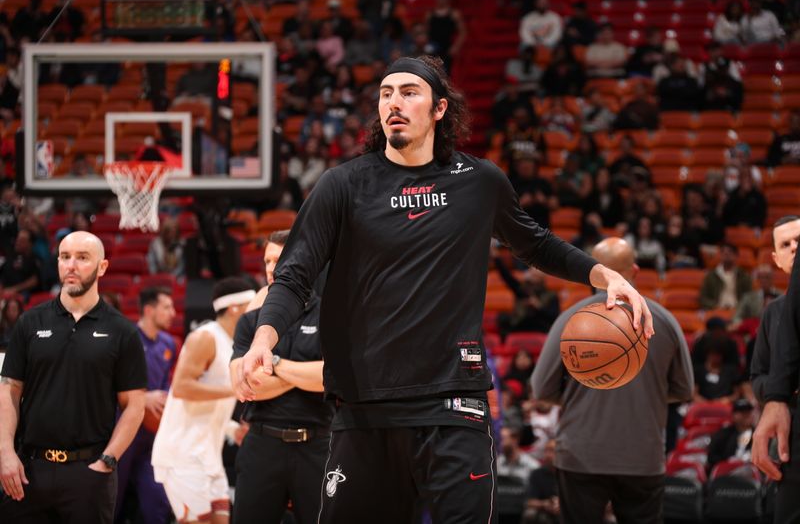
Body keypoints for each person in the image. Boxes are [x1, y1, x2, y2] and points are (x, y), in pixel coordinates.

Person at [240, 55, 653, 524]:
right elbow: (293, 276)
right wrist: (262, 339)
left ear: (439, 109)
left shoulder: (479, 182)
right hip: (364, 408)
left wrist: (605, 276)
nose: (394, 102)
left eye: (409, 92)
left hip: (454, 405)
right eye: (385, 93)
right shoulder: (343, 185)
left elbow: (535, 243)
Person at [531, 237, 693, 524]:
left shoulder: (570, 319)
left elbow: (542, 389)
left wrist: (586, 389)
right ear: (635, 270)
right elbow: (683, 390)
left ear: (592, 270)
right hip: (642, 456)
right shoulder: (665, 321)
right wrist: (645, 395)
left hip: (581, 453)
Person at [0, 231, 147, 523]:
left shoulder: (123, 331)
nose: (71, 265)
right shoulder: (30, 322)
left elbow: (134, 406)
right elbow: (9, 391)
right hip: (28, 470)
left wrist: (108, 459)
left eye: (82, 258)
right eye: (65, 257)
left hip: (89, 472)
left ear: (102, 267)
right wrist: (5, 453)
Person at [229, 230, 333, 524]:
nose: (272, 268)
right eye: (267, 260)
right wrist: (305, 372)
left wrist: (272, 362)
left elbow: (330, 378)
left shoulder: (328, 314)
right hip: (262, 445)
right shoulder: (251, 321)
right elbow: (245, 384)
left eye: (280, 259)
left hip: (317, 446)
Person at [151, 277, 253, 524]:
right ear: (234, 308)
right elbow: (182, 388)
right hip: (183, 456)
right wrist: (234, 389)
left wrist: (232, 429)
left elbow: (209, 397)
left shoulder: (235, 344)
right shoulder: (205, 337)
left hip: (209, 454)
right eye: (252, 305)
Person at [115, 287, 177, 524]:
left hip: (151, 434)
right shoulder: (126, 338)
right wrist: (144, 398)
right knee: (114, 499)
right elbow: (109, 384)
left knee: (157, 499)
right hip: (123, 430)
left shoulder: (169, 343)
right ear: (149, 310)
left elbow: (165, 386)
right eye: (167, 307)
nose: (173, 313)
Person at [750, 215, 800, 404]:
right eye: (785, 245)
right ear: (776, 259)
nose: (794, 247)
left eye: (799, 240)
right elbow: (758, 376)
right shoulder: (772, 312)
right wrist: (783, 387)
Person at [706, 398, 755, 473]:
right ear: (733, 415)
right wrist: (727, 462)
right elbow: (711, 457)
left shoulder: (759, 434)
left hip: (752, 474)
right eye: (742, 412)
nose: (746, 415)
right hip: (726, 475)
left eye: (749, 412)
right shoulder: (723, 434)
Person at [699, 243, 753, 310]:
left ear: (736, 256)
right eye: (723, 252)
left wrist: (740, 307)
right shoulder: (711, 276)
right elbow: (703, 298)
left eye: (730, 251)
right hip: (716, 309)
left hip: (737, 310)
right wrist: (715, 306)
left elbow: (750, 297)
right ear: (720, 255)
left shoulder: (744, 276)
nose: (726, 254)